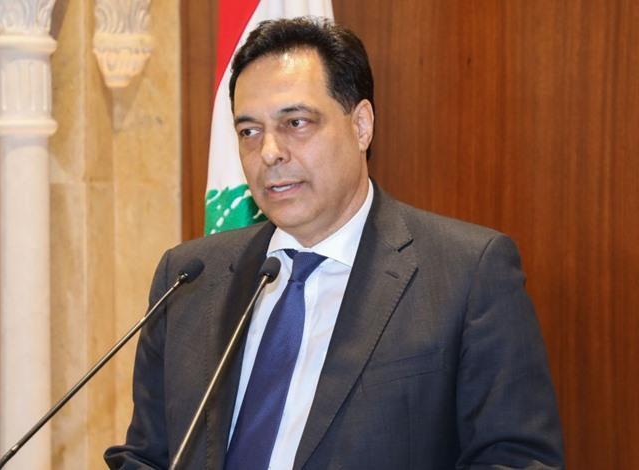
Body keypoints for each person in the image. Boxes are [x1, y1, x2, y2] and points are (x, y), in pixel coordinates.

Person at [105, 17, 564, 469]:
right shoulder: (188, 279)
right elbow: (148, 456)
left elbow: (516, 461)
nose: (269, 152)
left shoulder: (467, 275)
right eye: (249, 132)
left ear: (361, 125)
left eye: (296, 122)